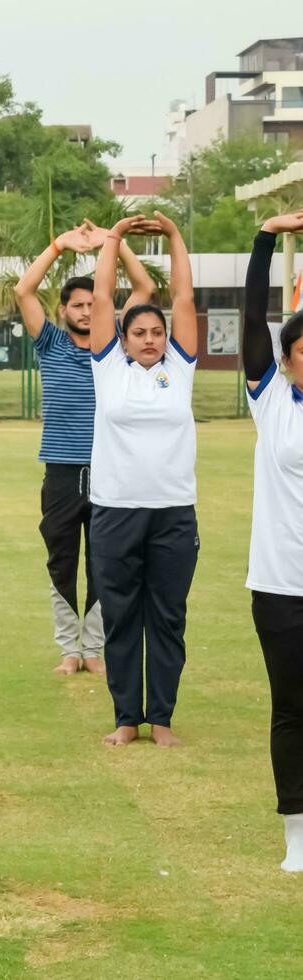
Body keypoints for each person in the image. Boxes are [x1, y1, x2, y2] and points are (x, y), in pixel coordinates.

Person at [15, 220, 155, 677]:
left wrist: (115, 243)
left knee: (105, 560)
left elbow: (144, 286)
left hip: (109, 469)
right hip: (60, 470)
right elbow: (24, 291)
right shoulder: (50, 343)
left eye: (91, 304)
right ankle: (68, 650)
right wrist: (60, 245)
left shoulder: (113, 346)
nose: (84, 310)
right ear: (62, 310)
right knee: (61, 558)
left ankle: (93, 649)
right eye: (76, 304)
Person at [88, 212, 198, 749]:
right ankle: (127, 717)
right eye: (141, 333)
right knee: (121, 618)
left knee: (168, 619)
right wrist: (113, 239)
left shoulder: (180, 368)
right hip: (114, 511)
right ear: (124, 339)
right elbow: (104, 297)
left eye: (157, 332)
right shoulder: (107, 366)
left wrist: (175, 237)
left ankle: (163, 718)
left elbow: (182, 298)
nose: (151, 339)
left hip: (174, 513)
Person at [240, 208, 303, 871]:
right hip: (282, 585)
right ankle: (297, 834)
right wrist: (266, 238)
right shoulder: (272, 400)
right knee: (292, 709)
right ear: (286, 361)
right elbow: (255, 314)